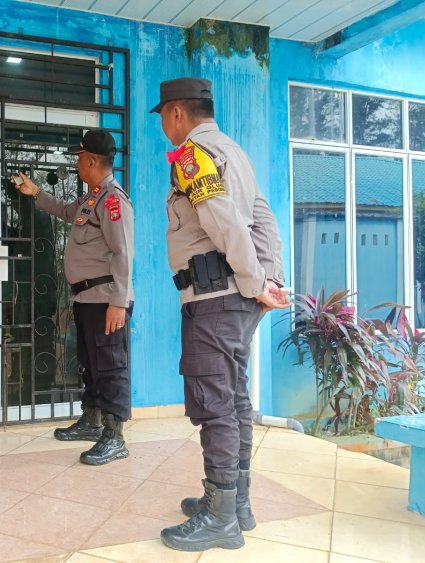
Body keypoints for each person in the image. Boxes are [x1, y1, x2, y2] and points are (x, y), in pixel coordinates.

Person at [150, 77, 289, 552]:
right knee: (233, 401)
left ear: (176, 114)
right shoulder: (238, 153)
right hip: (238, 298)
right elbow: (263, 219)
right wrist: (271, 281)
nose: (165, 126)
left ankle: (220, 517)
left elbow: (223, 221)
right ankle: (235, 503)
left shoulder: (192, 155)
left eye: (164, 117)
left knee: (216, 406)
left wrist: (255, 283)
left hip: (215, 299)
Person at [14, 129, 134, 465]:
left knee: (110, 367)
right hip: (87, 299)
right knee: (91, 364)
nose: (77, 163)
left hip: (107, 299)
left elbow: (123, 253)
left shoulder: (113, 200)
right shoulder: (92, 197)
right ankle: (91, 421)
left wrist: (118, 303)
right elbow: (67, 212)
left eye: (80, 157)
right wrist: (35, 191)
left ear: (93, 160)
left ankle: (114, 437)